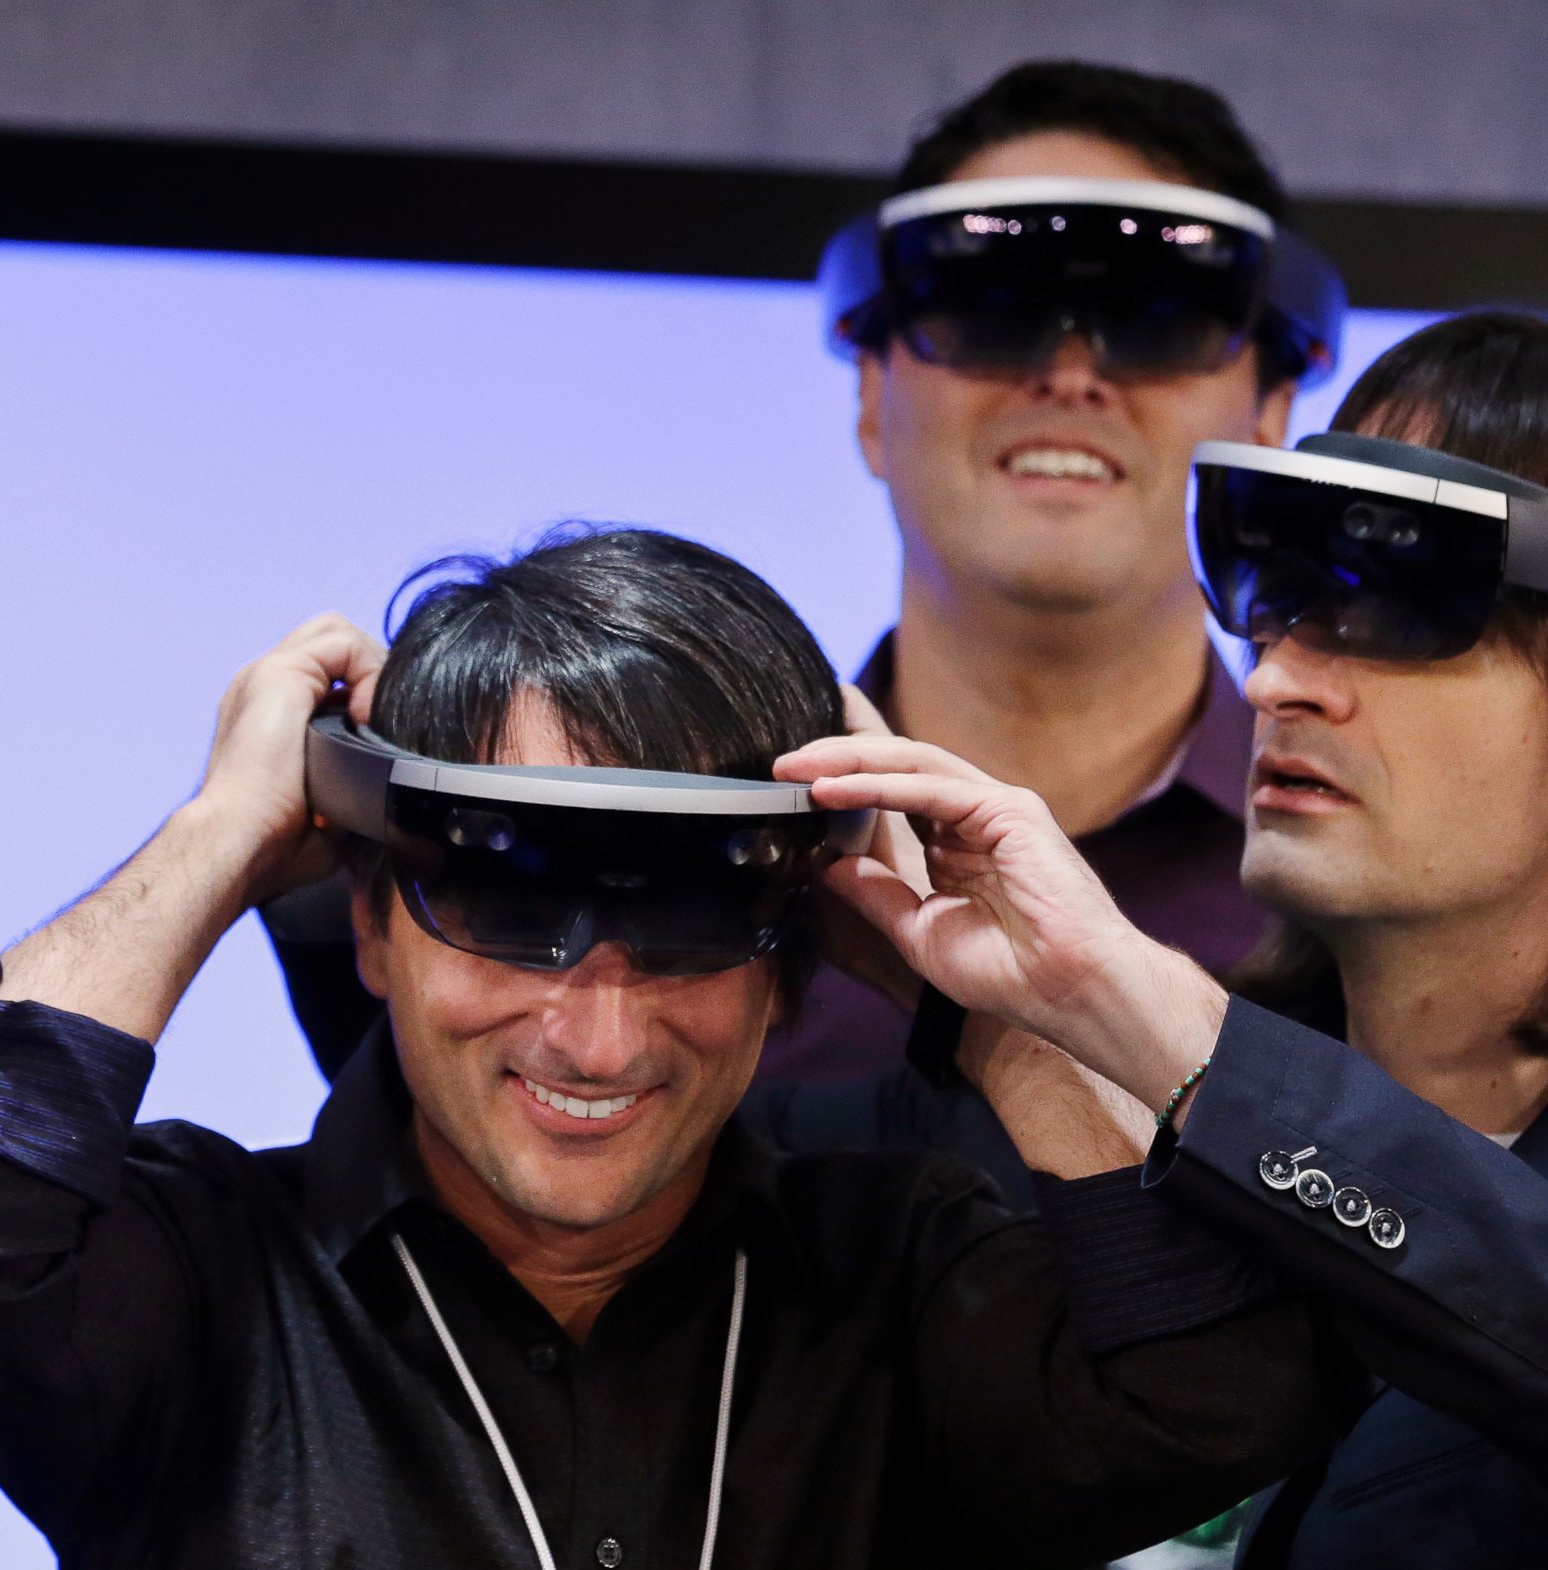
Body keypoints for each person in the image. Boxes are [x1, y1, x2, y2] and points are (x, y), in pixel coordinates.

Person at [0, 528, 1365, 1569]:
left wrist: (978, 1003)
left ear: (792, 957)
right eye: (503, 906)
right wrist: (221, 835)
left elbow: (1224, 1390)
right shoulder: (208, 1288)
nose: (596, 1030)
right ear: (371, 923)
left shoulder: (893, 1275)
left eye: (688, 926)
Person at [777, 314, 1548, 1567]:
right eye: (1282, 592)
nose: (1275, 681)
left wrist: (1165, 1029)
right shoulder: (1035, 1126)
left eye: (1405, 605)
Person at [262, 61, 1341, 1204]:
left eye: (1157, 319)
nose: (1068, 371)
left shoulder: (1357, 885)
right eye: (988, 305)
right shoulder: (690, 843)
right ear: (872, 395)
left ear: (1272, 414)